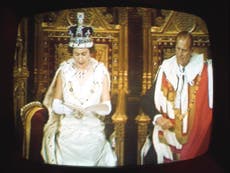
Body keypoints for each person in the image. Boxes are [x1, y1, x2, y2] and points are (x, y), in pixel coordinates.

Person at [40, 12, 117, 167]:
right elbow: (55, 104)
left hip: (92, 124)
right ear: (71, 53)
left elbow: (107, 107)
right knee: (67, 142)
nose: (80, 58)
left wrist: (90, 108)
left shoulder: (100, 71)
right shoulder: (64, 71)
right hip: (69, 124)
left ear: (91, 52)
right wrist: (70, 111)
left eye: (84, 54)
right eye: (76, 54)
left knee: (93, 145)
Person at [140, 31, 213, 164]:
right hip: (165, 135)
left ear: (191, 50)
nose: (180, 54)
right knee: (149, 158)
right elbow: (146, 100)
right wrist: (158, 117)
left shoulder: (204, 72)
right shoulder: (166, 69)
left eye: (184, 50)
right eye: (177, 49)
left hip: (194, 137)